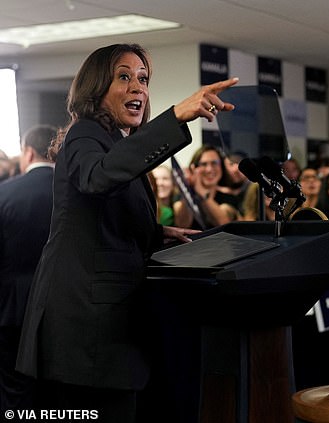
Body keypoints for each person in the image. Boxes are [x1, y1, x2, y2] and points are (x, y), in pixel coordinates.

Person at [15, 43, 238, 421]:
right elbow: (97, 178)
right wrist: (176, 117)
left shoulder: (114, 142)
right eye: (124, 77)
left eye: (143, 79)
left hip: (107, 332)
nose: (138, 87)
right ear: (96, 87)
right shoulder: (86, 133)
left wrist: (155, 233)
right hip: (87, 334)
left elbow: (102, 218)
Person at [0, 125, 57, 412]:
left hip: (11, 309)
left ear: (28, 152)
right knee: (55, 394)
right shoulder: (76, 195)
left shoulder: (4, 194)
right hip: (62, 307)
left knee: (15, 392)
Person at [173, 145, 238, 229]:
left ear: (221, 167)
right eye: (203, 164)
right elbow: (182, 225)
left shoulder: (229, 198)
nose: (209, 169)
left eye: (214, 163)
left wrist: (202, 192)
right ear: (194, 168)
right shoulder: (182, 198)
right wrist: (189, 188)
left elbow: (224, 225)